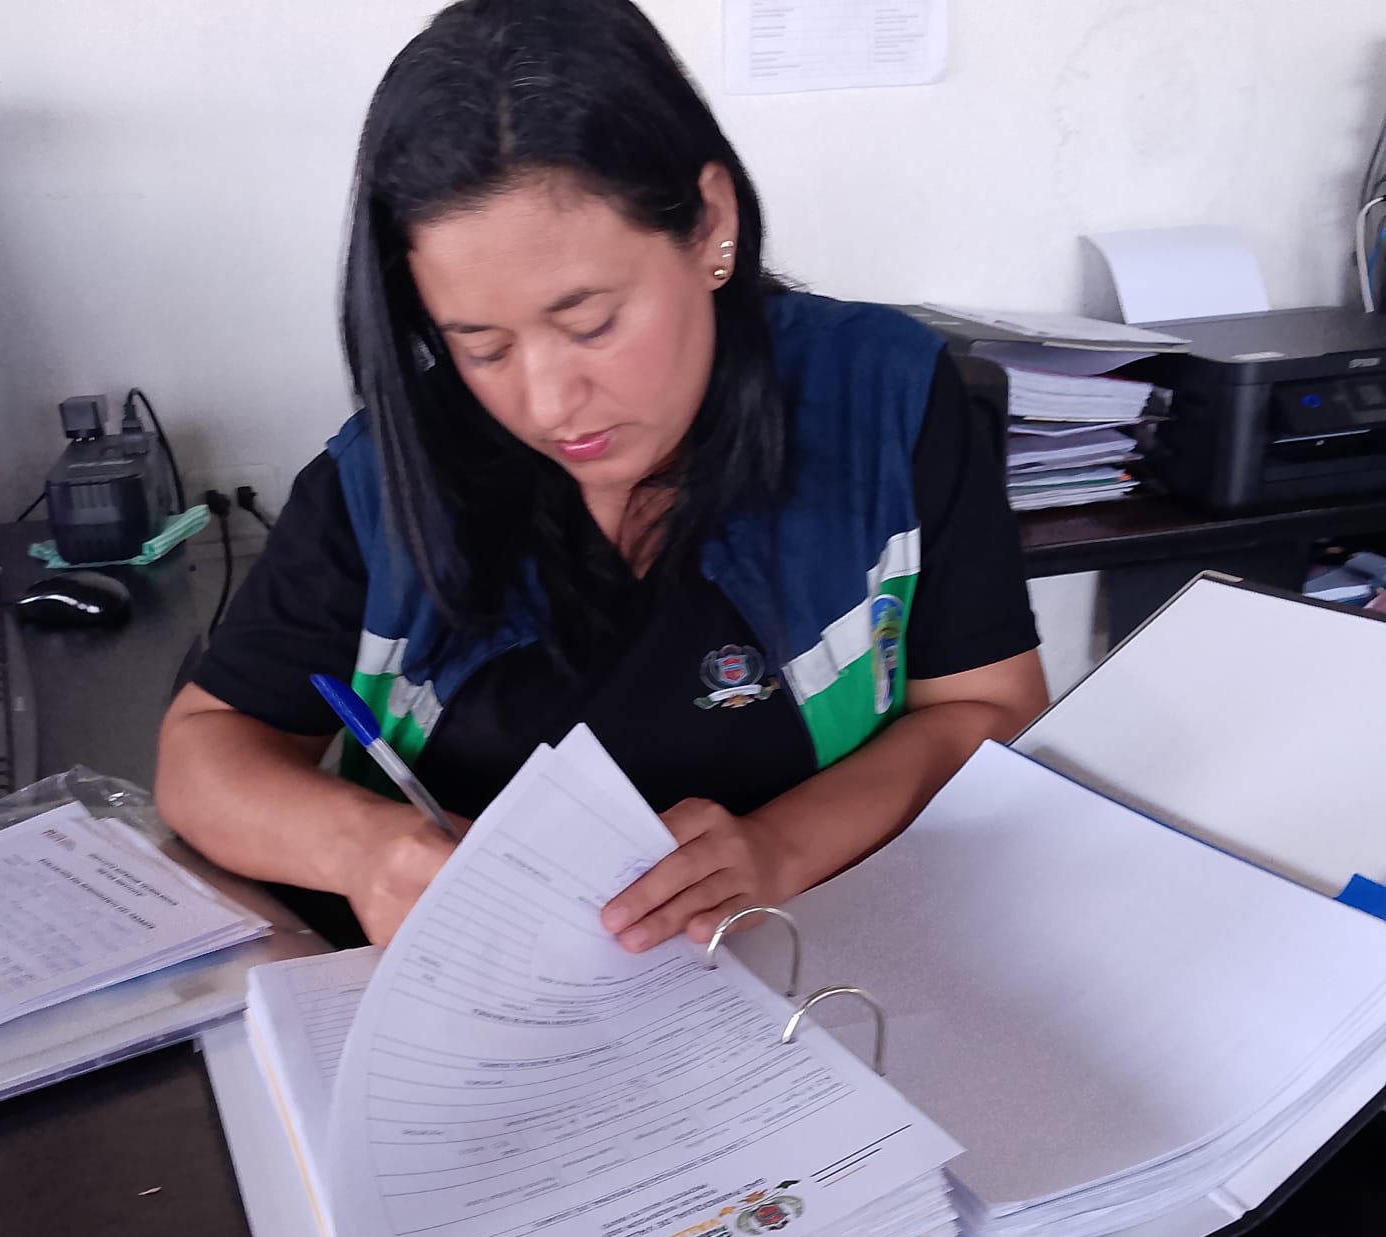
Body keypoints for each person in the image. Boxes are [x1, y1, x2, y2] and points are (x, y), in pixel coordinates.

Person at [155, 0, 1048, 951]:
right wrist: (367, 850)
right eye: (482, 346)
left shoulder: (882, 399)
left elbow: (989, 706)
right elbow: (201, 755)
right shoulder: (387, 479)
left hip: (813, 976)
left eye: (590, 325)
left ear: (709, 224)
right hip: (484, 1002)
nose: (550, 405)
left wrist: (780, 847)